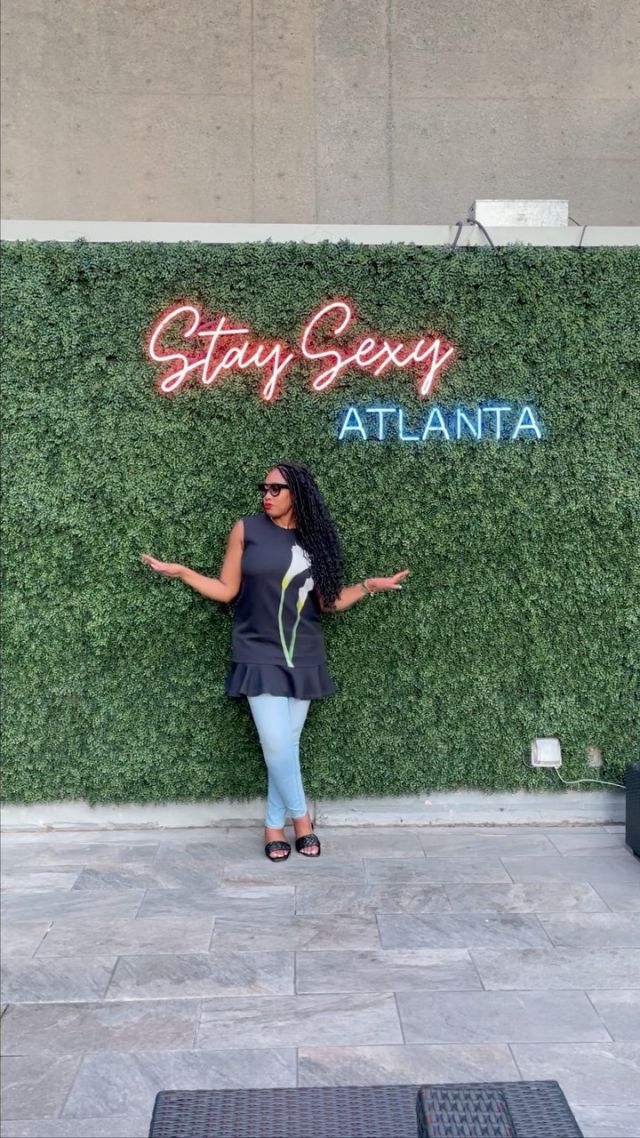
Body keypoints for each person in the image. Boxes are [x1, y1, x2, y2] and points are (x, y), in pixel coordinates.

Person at [140, 461, 408, 862]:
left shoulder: (315, 539)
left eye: (275, 489)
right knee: (277, 743)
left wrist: (368, 586)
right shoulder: (245, 529)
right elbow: (226, 590)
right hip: (256, 649)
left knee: (286, 746)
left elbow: (328, 602)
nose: (267, 495)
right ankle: (302, 821)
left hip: (303, 652)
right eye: (263, 488)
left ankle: (272, 826)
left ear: (297, 493)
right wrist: (182, 573)